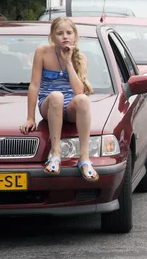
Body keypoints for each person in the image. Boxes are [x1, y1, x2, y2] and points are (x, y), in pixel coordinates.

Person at [19, 17, 98, 181]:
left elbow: (78, 91)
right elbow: (34, 85)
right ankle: (55, 154)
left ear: (75, 36)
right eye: (60, 33)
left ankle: (84, 158)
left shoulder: (80, 58)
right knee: (56, 96)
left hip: (70, 106)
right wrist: (30, 117)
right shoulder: (42, 52)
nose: (65, 36)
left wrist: (68, 62)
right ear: (52, 37)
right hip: (49, 105)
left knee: (83, 99)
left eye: (69, 32)